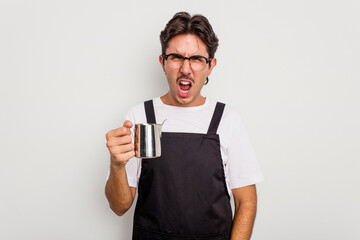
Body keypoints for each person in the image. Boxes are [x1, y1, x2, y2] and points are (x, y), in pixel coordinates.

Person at [105, 12, 264, 240]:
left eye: (197, 59)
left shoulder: (228, 119)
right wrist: (117, 164)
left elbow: (246, 201)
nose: (186, 69)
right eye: (176, 57)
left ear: (211, 66)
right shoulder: (139, 116)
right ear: (163, 62)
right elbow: (119, 207)